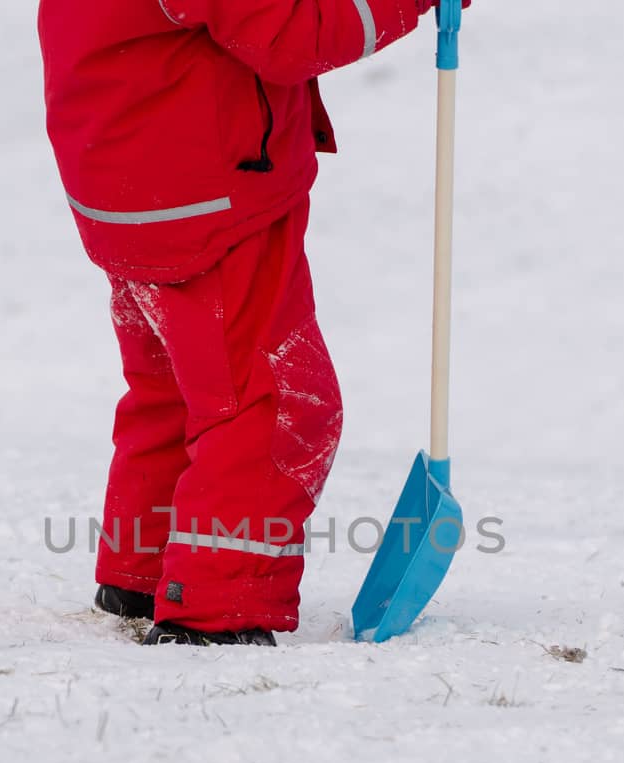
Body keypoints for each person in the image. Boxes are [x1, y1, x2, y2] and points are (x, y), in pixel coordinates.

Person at [38, 0, 465, 646]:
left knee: (180, 392)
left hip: (128, 185)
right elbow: (292, 30)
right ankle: (218, 603)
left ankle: (145, 568)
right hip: (208, 199)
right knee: (273, 404)